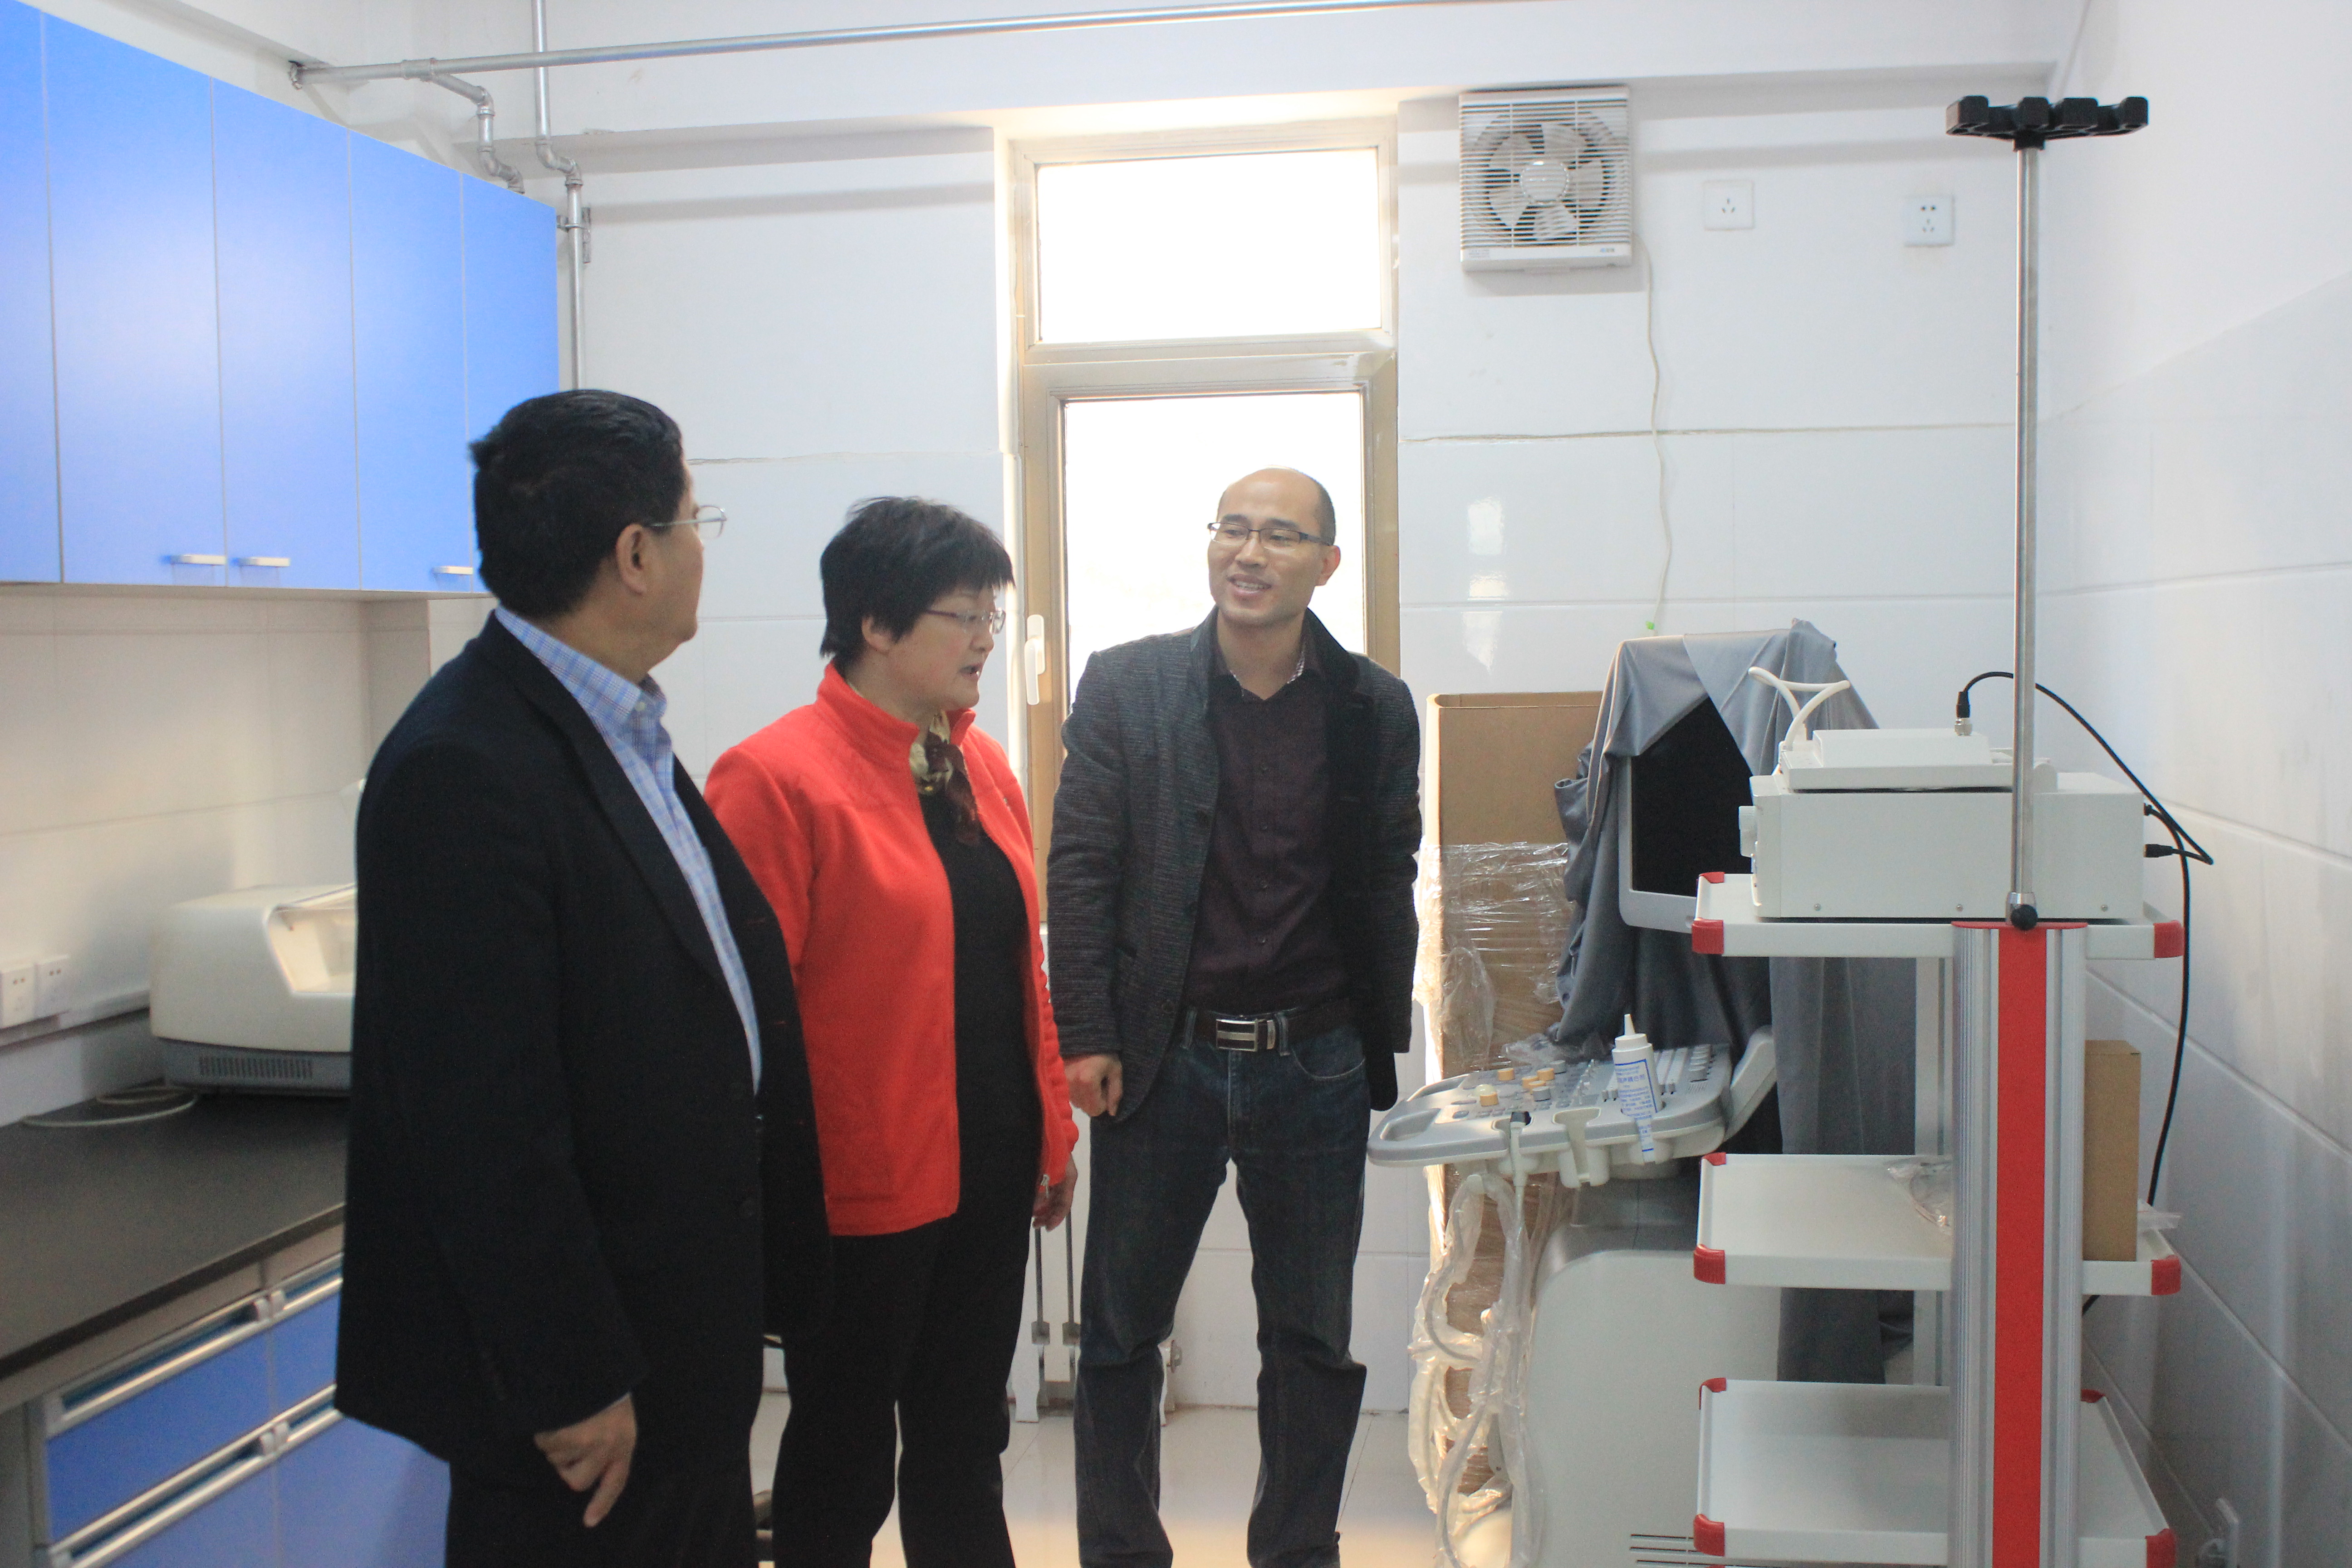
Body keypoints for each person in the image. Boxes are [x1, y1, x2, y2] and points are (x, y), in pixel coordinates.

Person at [337, 389, 829, 1568]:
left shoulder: (615, 730)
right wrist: (569, 1380)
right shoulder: (467, 766)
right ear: (636, 555)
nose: (703, 548)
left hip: (676, 1349)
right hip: (589, 1399)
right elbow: (482, 1125)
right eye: (696, 519)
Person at [1050, 467, 1421, 1568]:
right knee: (1121, 1335)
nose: (1249, 553)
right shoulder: (1129, 685)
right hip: (1162, 1059)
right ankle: (1122, 1553)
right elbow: (1082, 867)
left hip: (1315, 1061)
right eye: (1233, 529)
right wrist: (1087, 1033)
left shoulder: (1373, 704)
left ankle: (1297, 1551)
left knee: (1310, 1341)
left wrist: (1379, 1045)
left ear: (1327, 564)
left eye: (1280, 536)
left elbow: (1387, 872)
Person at [705, 497, 1080, 1568]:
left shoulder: (979, 765)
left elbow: (1019, 970)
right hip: (859, 1188)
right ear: (875, 623)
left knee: (966, 1441)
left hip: (988, 1166)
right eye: (964, 614)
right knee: (843, 1453)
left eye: (991, 616)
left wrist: (1050, 1128)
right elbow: (740, 1020)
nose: (984, 640)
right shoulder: (775, 777)